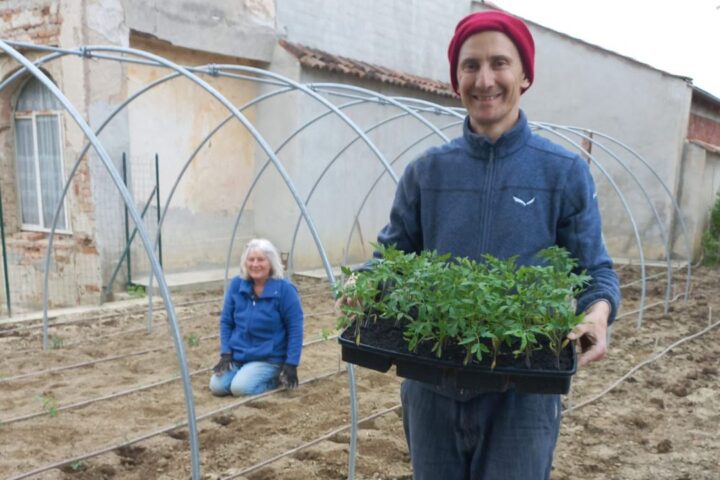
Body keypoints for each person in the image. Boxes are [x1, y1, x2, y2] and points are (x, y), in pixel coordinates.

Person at [345, 10, 621, 480]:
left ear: (525, 75)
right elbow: (392, 259)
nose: (485, 79)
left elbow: (595, 271)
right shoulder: (426, 173)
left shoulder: (562, 172)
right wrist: (362, 282)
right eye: (470, 66)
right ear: (456, 80)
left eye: (500, 63)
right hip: (431, 384)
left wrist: (597, 312)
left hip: (525, 394)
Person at [209, 238, 303, 396]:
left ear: (271, 263)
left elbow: (295, 328)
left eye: (261, 259)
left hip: (268, 358)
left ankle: (274, 380)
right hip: (239, 354)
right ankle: (244, 373)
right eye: (251, 259)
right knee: (217, 387)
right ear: (245, 263)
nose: (255, 264)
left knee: (240, 388)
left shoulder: (284, 290)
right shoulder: (237, 285)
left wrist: (291, 363)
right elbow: (226, 321)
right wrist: (226, 353)